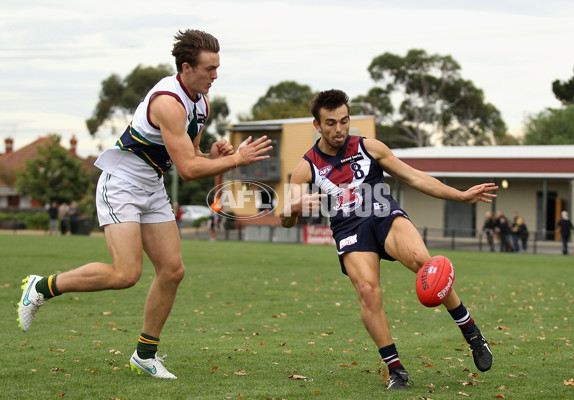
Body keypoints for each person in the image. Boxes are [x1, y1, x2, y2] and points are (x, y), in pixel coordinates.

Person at [18, 29, 272, 379]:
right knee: (126, 274)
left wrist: (212, 154)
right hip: (121, 183)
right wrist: (236, 160)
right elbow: (187, 168)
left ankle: (145, 354)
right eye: (209, 68)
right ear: (186, 68)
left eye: (218, 67)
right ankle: (41, 287)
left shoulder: (201, 102)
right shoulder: (168, 102)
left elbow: (191, 159)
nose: (215, 75)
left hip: (151, 185)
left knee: (172, 270)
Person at [279, 89, 496, 391]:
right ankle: (396, 370)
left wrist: (460, 196)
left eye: (343, 121)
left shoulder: (370, 147)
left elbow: (415, 177)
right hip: (350, 229)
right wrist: (293, 208)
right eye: (330, 123)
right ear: (317, 125)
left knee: (426, 263)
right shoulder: (306, 168)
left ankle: (471, 332)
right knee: (368, 292)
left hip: (383, 215)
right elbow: (286, 219)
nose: (338, 129)